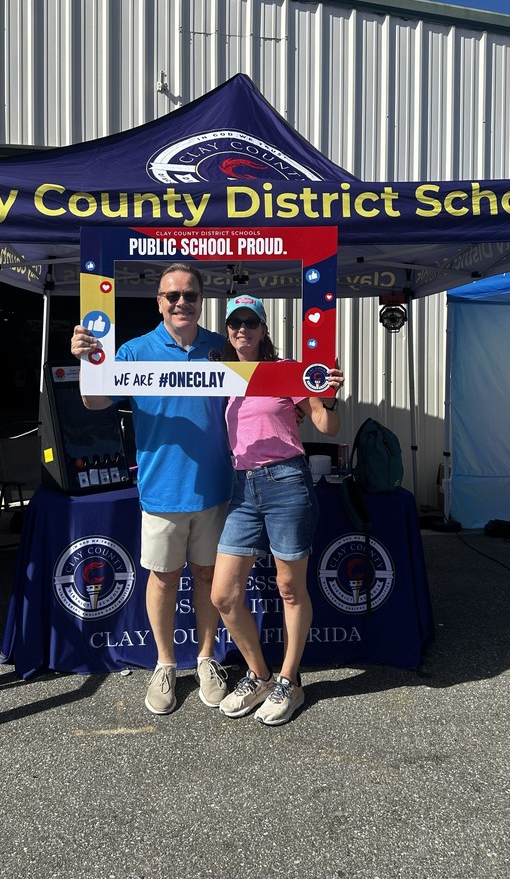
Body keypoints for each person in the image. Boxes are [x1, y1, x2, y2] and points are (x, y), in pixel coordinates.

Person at [71, 264, 232, 715]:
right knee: (163, 579)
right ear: (158, 301)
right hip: (162, 489)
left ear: (201, 300)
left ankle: (205, 658)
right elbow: (94, 400)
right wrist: (85, 359)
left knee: (208, 577)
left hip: (216, 487)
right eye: (172, 296)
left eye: (190, 295)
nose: (181, 303)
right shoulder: (135, 351)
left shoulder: (220, 348)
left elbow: (258, 390)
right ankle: (165, 664)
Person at [210, 293, 344, 726]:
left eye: (251, 322)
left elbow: (326, 425)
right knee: (223, 595)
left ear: (264, 328)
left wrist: (329, 396)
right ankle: (261, 675)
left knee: (290, 588)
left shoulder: (286, 371)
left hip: (286, 480)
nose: (242, 330)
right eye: (235, 323)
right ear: (227, 330)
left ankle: (290, 680)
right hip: (241, 486)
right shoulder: (222, 374)